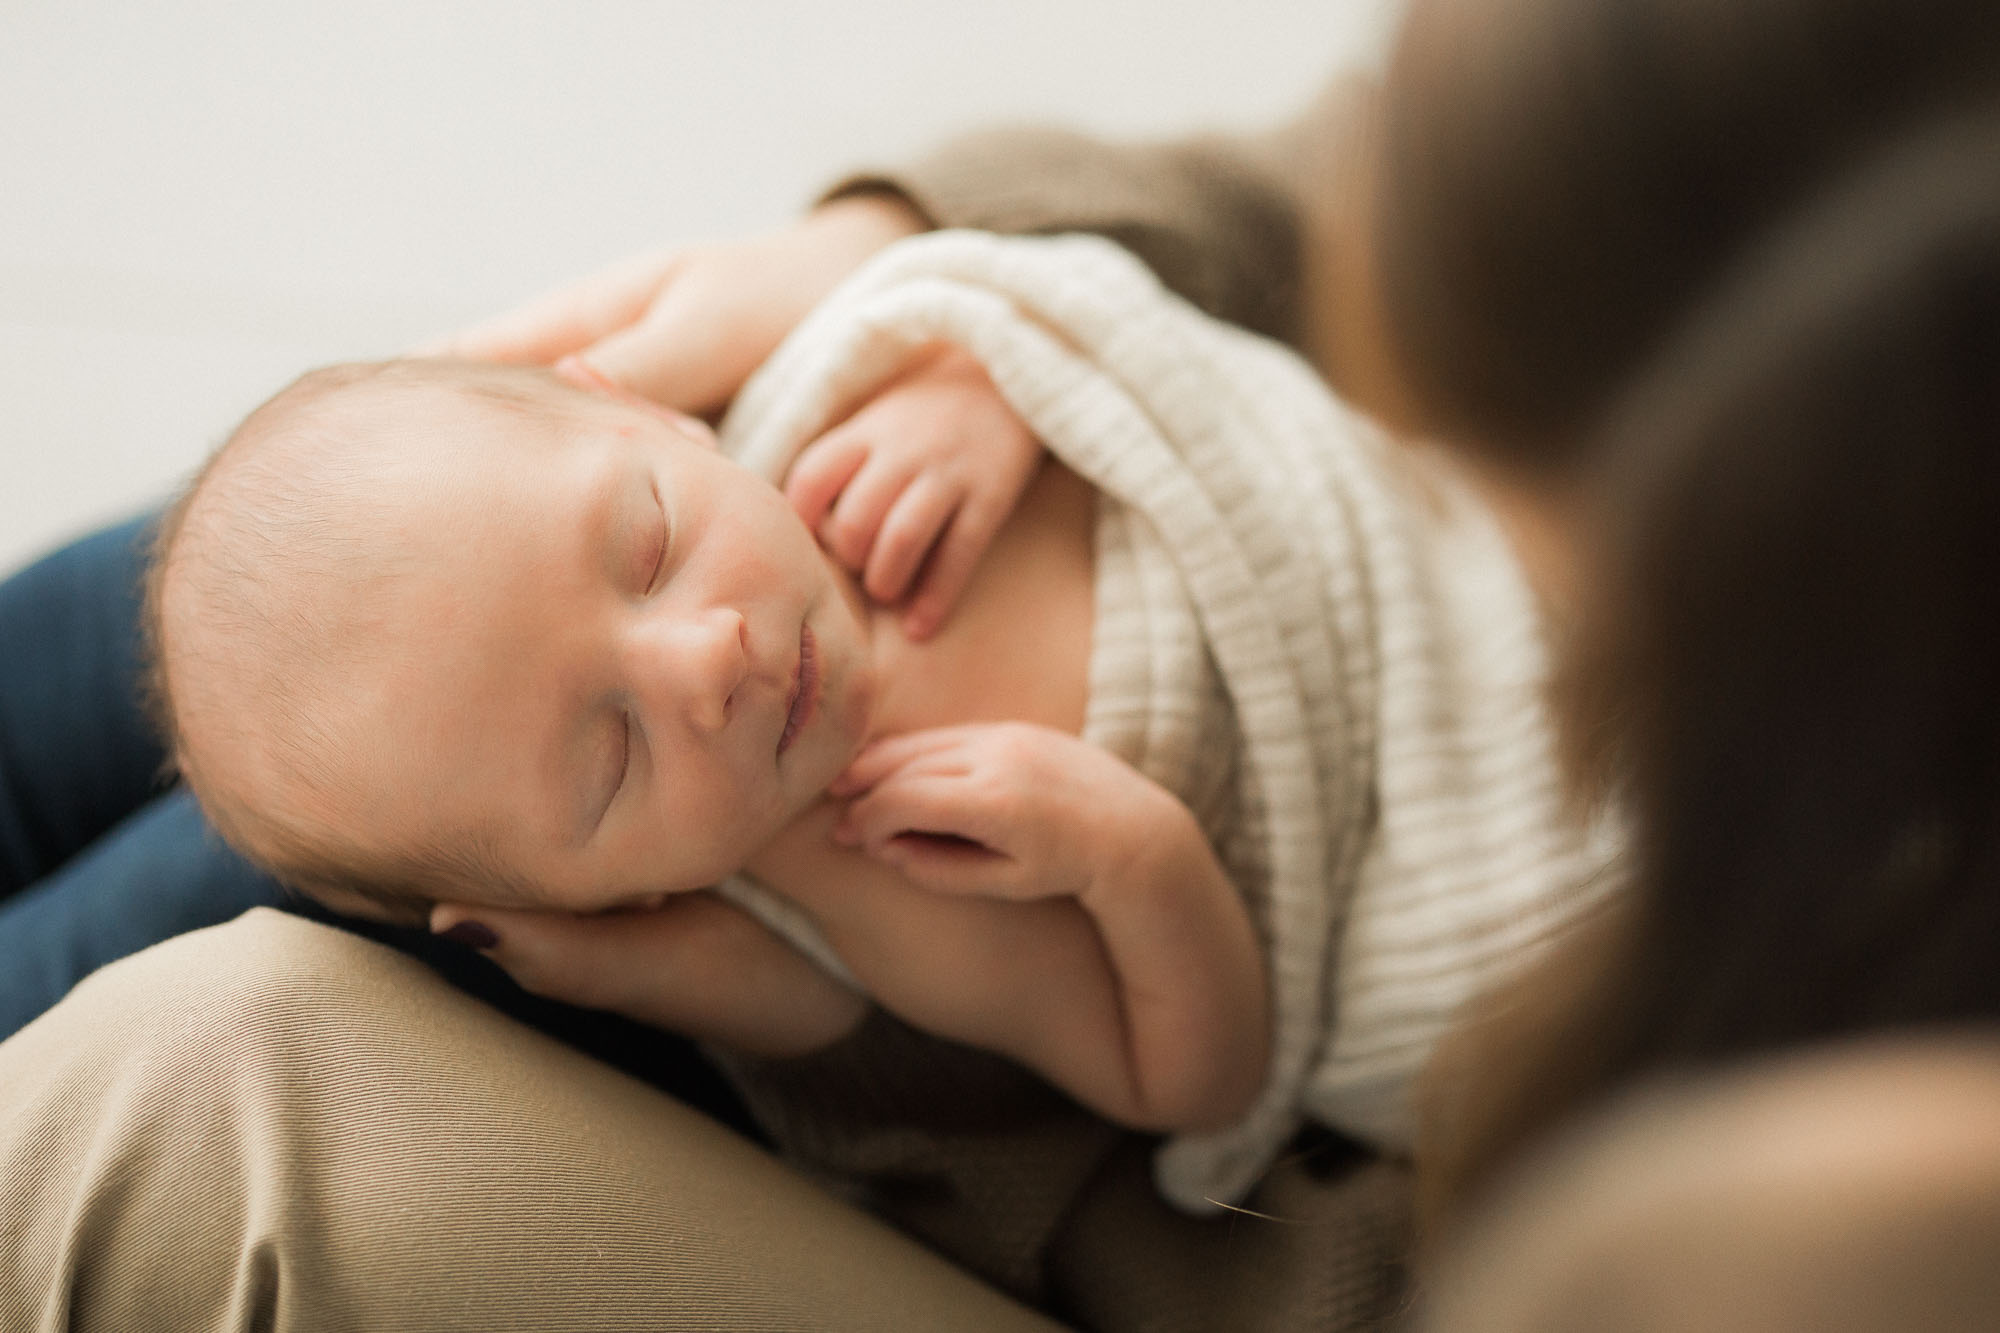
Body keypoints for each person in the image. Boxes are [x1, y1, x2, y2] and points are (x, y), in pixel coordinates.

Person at [7, 0, 2000, 1325]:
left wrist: (1098, 874)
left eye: (654, 546)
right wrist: (915, 280)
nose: (709, 657)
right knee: (336, 585)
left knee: (277, 875)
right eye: (614, 757)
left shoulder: (862, 899)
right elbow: (1137, 263)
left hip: (1341, 1094)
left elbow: (1188, 1085)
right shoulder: (787, 648)